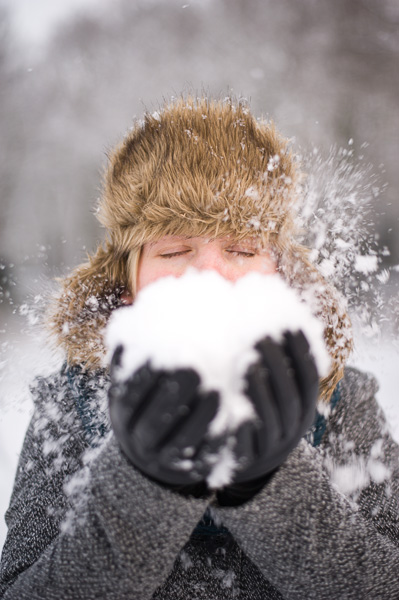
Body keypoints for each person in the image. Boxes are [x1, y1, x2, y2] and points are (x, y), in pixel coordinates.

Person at [1, 97, 399, 599]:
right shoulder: (69, 407)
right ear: (128, 284)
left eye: (240, 248)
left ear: (279, 273)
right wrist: (145, 487)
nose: (209, 273)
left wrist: (270, 485)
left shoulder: (340, 400)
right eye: (173, 250)